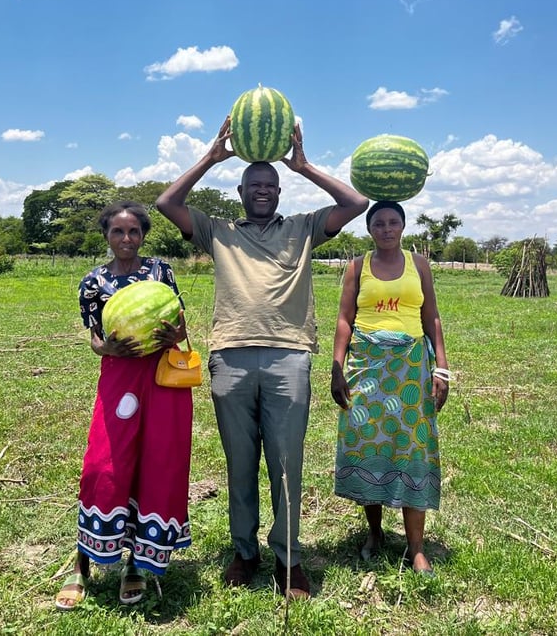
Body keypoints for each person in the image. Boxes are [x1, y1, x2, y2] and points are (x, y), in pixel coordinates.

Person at [156, 117, 368, 599]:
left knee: (286, 461)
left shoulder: (304, 228)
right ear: (240, 189)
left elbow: (356, 204)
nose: (264, 191)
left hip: (288, 357)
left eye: (271, 185)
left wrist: (305, 165)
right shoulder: (218, 231)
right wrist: (211, 156)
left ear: (279, 190)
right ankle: (244, 551)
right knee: (240, 461)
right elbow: (167, 203)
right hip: (229, 356)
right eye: (255, 185)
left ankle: (288, 559)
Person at [55, 201, 193, 610]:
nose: (126, 239)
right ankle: (82, 562)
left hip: (161, 377)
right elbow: (94, 337)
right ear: (107, 236)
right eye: (118, 232)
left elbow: (181, 322)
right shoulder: (92, 282)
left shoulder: (160, 271)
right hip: (119, 378)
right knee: (104, 465)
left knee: (155, 464)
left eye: (134, 232)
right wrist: (105, 346)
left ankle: (136, 564)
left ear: (143, 235)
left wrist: (174, 334)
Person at [330, 200, 449, 575]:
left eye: (393, 222)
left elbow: (430, 316)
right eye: (378, 223)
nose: (386, 229)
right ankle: (375, 533)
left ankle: (416, 547)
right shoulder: (357, 267)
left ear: (402, 226)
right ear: (369, 229)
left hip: (410, 367)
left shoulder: (419, 265)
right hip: (367, 366)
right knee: (371, 444)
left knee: (412, 447)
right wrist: (337, 368)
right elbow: (345, 319)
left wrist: (441, 369)